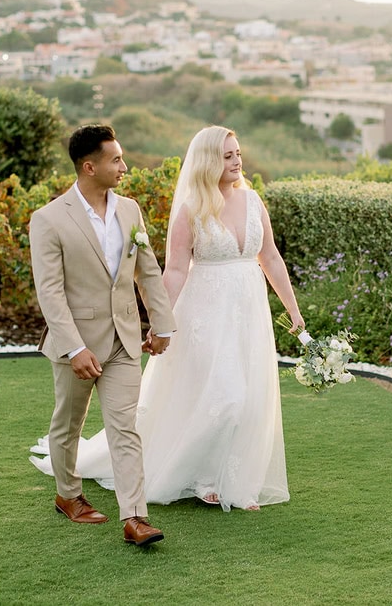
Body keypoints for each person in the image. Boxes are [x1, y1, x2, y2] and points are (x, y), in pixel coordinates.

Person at [31, 125, 308, 512]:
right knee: (226, 397)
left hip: (249, 312)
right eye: (227, 155)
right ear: (209, 160)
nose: (236, 161)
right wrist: (164, 323)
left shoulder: (252, 201)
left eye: (238, 153)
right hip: (206, 314)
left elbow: (271, 258)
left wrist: (293, 311)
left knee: (249, 398)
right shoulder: (191, 208)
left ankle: (234, 480)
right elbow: (172, 271)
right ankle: (202, 478)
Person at [28, 124, 176, 546]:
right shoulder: (48, 220)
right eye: (116, 160)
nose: (124, 166)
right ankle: (68, 494)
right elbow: (50, 292)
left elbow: (147, 271)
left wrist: (161, 325)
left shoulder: (130, 211)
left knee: (124, 427)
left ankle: (135, 517)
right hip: (76, 343)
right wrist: (74, 347)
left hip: (125, 340)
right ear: (89, 167)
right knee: (67, 425)